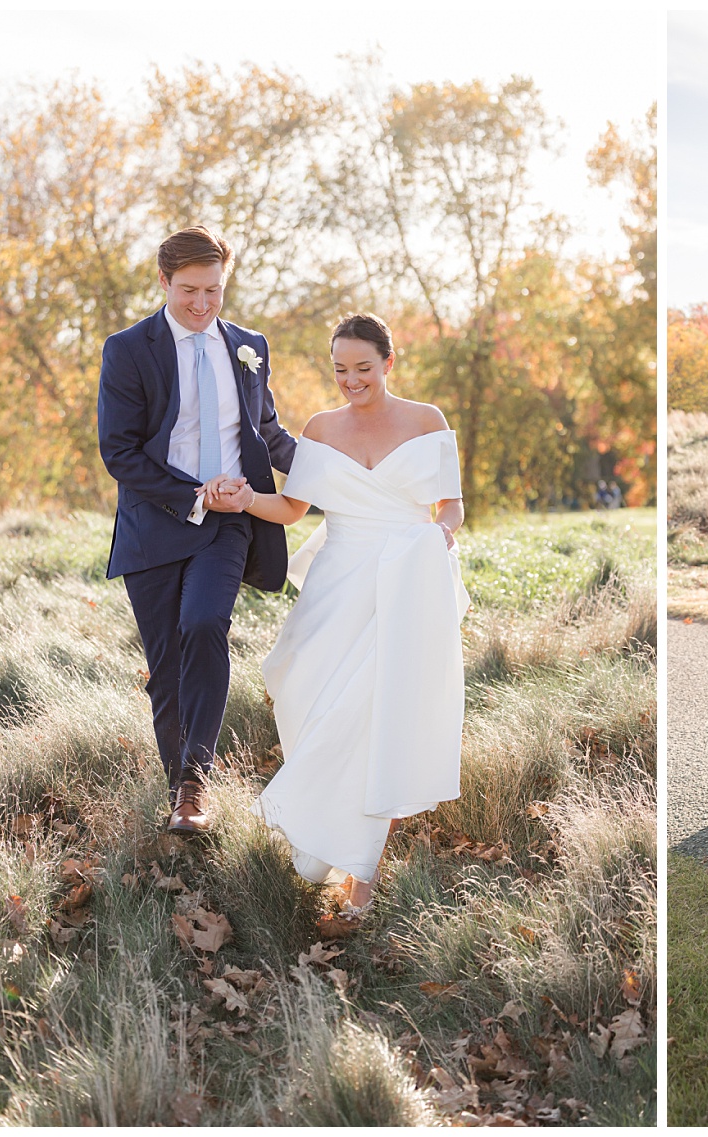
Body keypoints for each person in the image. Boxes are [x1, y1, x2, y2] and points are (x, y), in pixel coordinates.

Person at [205, 313, 469, 919]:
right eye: (341, 370)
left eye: (364, 369)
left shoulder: (428, 422)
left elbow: (451, 509)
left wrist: (438, 541)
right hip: (337, 586)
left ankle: (363, 880)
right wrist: (247, 500)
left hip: (404, 586)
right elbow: (294, 509)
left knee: (379, 723)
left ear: (388, 363)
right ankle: (322, 835)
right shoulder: (321, 428)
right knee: (309, 701)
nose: (352, 381)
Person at [97, 226, 297, 835]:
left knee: (206, 622)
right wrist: (190, 494)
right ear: (163, 282)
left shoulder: (250, 346)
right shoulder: (129, 349)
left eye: (214, 290)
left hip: (228, 523)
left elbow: (266, 431)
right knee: (166, 668)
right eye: (189, 291)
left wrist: (341, 459)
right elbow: (120, 452)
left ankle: (194, 785)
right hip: (154, 526)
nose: (203, 304)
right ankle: (178, 786)